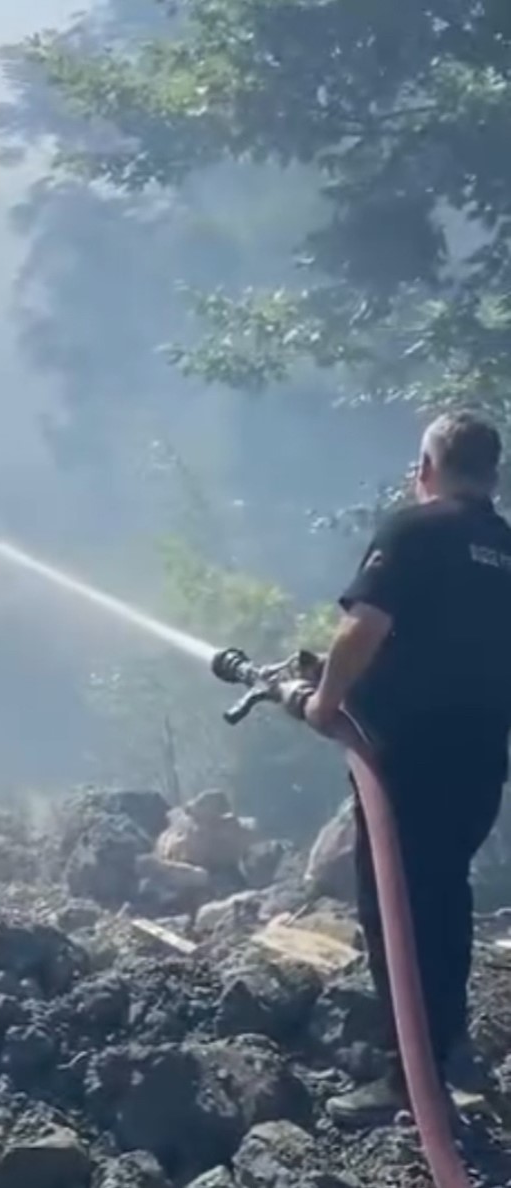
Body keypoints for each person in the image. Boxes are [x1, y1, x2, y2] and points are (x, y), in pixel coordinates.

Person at [300, 409, 511, 1127]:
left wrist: (324, 702)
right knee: (444, 900)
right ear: (493, 473)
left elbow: (363, 630)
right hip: (482, 760)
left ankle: (405, 1079)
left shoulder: (413, 532)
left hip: (406, 761)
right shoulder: (505, 546)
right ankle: (445, 1049)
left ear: (425, 468)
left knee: (392, 910)